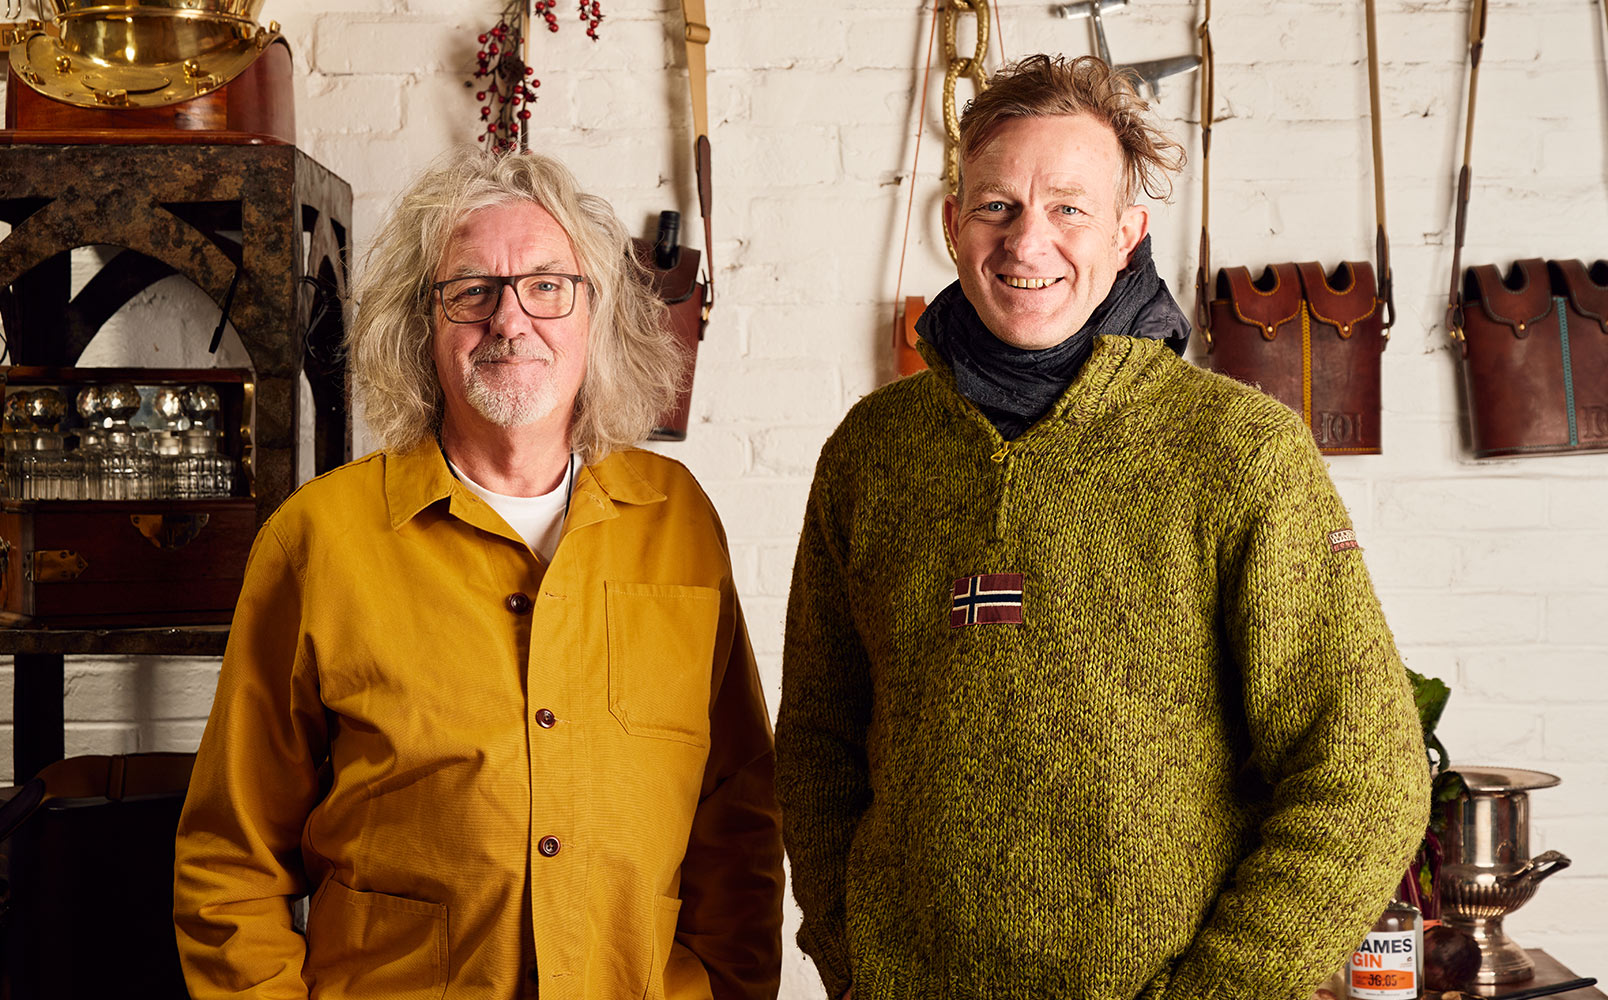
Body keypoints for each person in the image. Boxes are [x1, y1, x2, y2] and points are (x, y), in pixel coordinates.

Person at [775, 54, 1428, 1000]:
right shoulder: (873, 452)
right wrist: (849, 954)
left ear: (1128, 234)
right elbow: (818, 741)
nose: (1026, 242)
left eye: (1068, 209)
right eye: (997, 206)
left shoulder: (1240, 452)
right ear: (954, 225)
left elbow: (1366, 774)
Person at [174, 151, 784, 1000]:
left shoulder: (678, 522)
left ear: (595, 318)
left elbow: (739, 812)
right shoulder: (318, 541)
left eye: (546, 285)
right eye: (472, 290)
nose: (509, 318)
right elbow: (231, 858)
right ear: (420, 325)